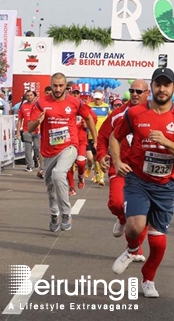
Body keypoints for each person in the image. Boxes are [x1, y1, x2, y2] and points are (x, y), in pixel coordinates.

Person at [110, 68, 174, 298]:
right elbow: (114, 137)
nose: (162, 89)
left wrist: (167, 142)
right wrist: (117, 160)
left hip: (165, 185)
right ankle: (131, 250)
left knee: (157, 242)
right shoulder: (135, 113)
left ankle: (148, 279)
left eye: (167, 85)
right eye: (158, 84)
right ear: (153, 87)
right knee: (136, 226)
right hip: (138, 179)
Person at [28, 72, 98, 232]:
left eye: (61, 86)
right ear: (51, 85)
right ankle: (54, 214)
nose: (58, 89)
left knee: (59, 174)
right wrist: (38, 121)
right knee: (50, 186)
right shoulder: (41, 103)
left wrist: (95, 138)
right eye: (55, 85)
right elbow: (30, 128)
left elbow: (88, 118)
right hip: (48, 150)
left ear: (66, 86)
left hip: (69, 145)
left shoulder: (75, 102)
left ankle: (66, 213)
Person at [96, 79, 150, 254]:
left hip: (144, 173)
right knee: (117, 204)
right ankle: (121, 218)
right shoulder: (118, 114)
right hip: (120, 169)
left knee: (142, 215)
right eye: (132, 91)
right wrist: (101, 155)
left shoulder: (154, 114)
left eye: (138, 91)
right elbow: (103, 136)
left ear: (147, 93)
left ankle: (135, 248)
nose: (134, 94)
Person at [87, 90, 111, 186]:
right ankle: (96, 173)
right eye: (95, 98)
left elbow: (111, 117)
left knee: (100, 156)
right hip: (90, 135)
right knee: (93, 157)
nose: (97, 100)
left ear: (102, 98)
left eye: (99, 98)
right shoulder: (89, 106)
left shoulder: (106, 106)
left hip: (102, 136)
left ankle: (101, 177)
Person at [15, 90, 41, 172]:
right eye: (28, 95)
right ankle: (29, 165)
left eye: (31, 95)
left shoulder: (39, 105)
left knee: (37, 148)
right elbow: (19, 119)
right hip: (26, 130)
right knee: (27, 149)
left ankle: (36, 159)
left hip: (38, 131)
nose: (29, 97)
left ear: (34, 96)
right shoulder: (23, 106)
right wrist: (18, 131)